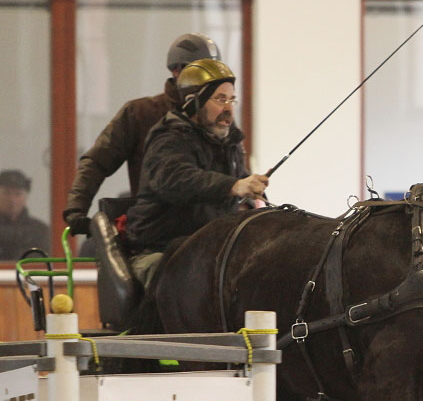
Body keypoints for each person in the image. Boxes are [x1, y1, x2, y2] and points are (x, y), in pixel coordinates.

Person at [125, 59, 268, 287]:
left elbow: (241, 184)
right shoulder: (169, 138)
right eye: (220, 99)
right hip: (160, 251)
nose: (229, 108)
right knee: (187, 285)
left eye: (232, 99)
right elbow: (176, 180)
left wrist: (253, 199)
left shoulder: (229, 142)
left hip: (210, 250)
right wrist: (235, 186)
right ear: (193, 103)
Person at [63, 32, 222, 237]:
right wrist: (76, 209)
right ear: (176, 71)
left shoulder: (220, 118)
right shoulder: (140, 113)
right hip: (157, 234)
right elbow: (96, 162)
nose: (209, 81)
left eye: (213, 74)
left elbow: (237, 172)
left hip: (212, 235)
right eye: (200, 73)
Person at [0, 170, 51, 260]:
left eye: (18, 194)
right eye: (6, 193)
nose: (12, 199)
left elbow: (45, 264)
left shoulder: (40, 231)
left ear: (25, 197)